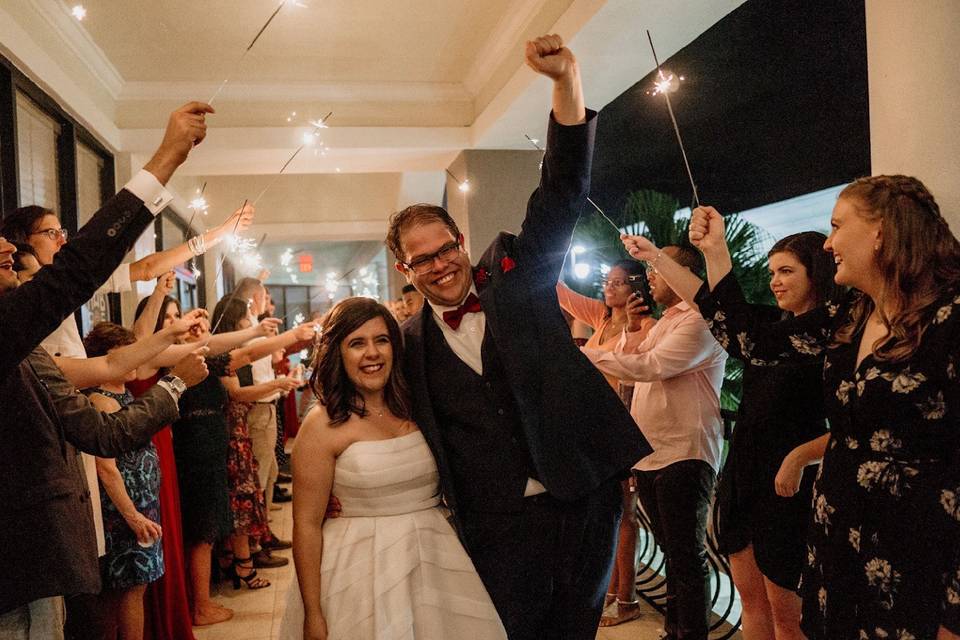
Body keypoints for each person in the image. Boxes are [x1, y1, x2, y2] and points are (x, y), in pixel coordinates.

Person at [385, 35, 650, 639]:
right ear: (405, 270)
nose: (440, 265)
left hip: (581, 496)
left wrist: (565, 82)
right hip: (494, 522)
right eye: (421, 260)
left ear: (461, 242)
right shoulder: (407, 343)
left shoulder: (519, 279)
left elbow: (561, 192)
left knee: (577, 628)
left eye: (445, 249)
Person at [684, 176, 960, 640]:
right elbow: (753, 341)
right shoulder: (851, 314)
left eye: (836, 226)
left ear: (882, 231)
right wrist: (715, 253)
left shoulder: (950, 318)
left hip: (917, 552)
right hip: (838, 537)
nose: (828, 242)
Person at [0, 101, 212, 637]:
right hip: (20, 553)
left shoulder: (22, 343)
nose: (8, 247)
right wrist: (164, 159)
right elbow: (82, 274)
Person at [620, 231, 839, 639]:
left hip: (788, 486)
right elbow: (713, 303)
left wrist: (799, 458)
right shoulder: (768, 326)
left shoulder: (831, 336)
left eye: (786, 271)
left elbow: (853, 423)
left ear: (817, 273)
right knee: (751, 599)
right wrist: (655, 257)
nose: (774, 280)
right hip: (744, 474)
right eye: (772, 271)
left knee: (787, 614)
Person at [279, 297, 507, 640]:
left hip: (432, 555)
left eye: (381, 340)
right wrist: (313, 612)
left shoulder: (417, 405)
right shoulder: (323, 423)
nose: (372, 353)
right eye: (357, 343)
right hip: (358, 567)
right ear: (337, 353)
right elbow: (307, 525)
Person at [581, 245, 728, 640]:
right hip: (652, 450)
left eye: (657, 269)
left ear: (684, 275)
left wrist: (587, 356)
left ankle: (690, 633)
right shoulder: (667, 321)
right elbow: (635, 359)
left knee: (686, 556)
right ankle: (674, 629)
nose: (650, 278)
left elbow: (653, 367)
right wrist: (629, 330)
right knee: (670, 551)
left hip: (685, 450)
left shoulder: (700, 321)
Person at [556, 260, 656, 626]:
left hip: (624, 427)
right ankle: (610, 592)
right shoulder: (601, 317)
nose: (610, 286)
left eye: (619, 281)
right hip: (595, 429)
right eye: (608, 280)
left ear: (637, 287)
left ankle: (626, 597)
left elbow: (638, 375)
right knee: (609, 514)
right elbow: (561, 294)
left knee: (626, 516)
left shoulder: (646, 326)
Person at [83, 323, 170, 640]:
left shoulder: (122, 389)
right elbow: (105, 467)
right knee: (128, 589)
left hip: (141, 504)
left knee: (135, 587)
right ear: (108, 358)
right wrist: (132, 516)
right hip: (123, 512)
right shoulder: (101, 400)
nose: (136, 359)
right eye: (128, 353)